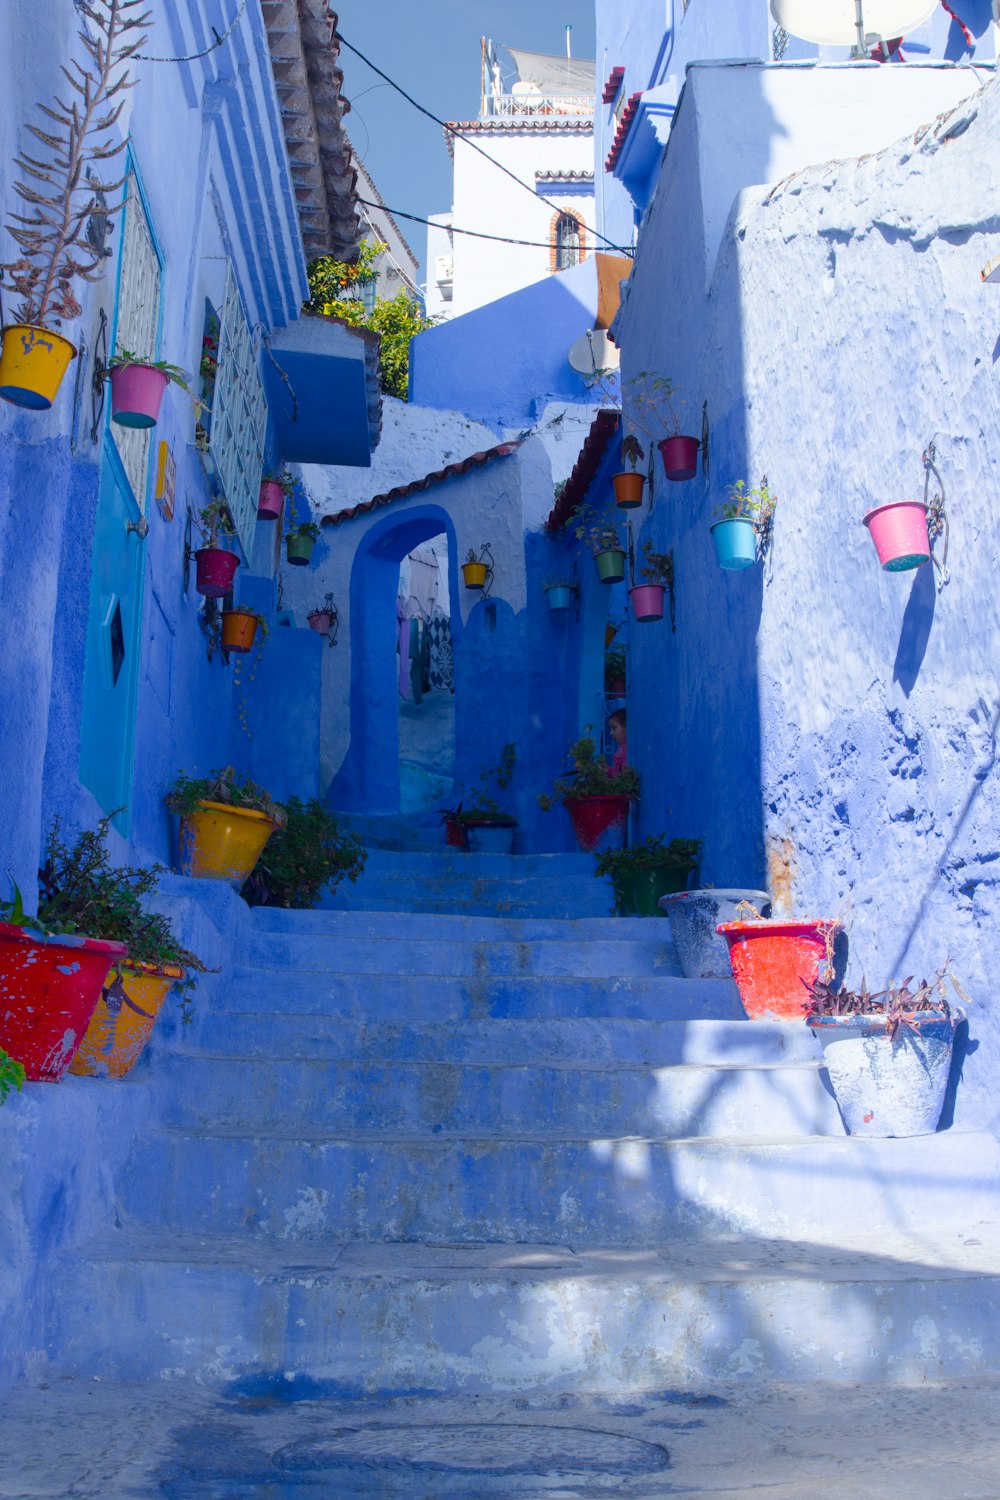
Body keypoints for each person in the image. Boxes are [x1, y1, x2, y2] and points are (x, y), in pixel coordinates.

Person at [608, 708, 627, 778]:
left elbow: (622, 777)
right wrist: (607, 770)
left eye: (614, 728)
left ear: (626, 727)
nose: (611, 733)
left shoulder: (627, 750)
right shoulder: (622, 748)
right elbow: (617, 773)